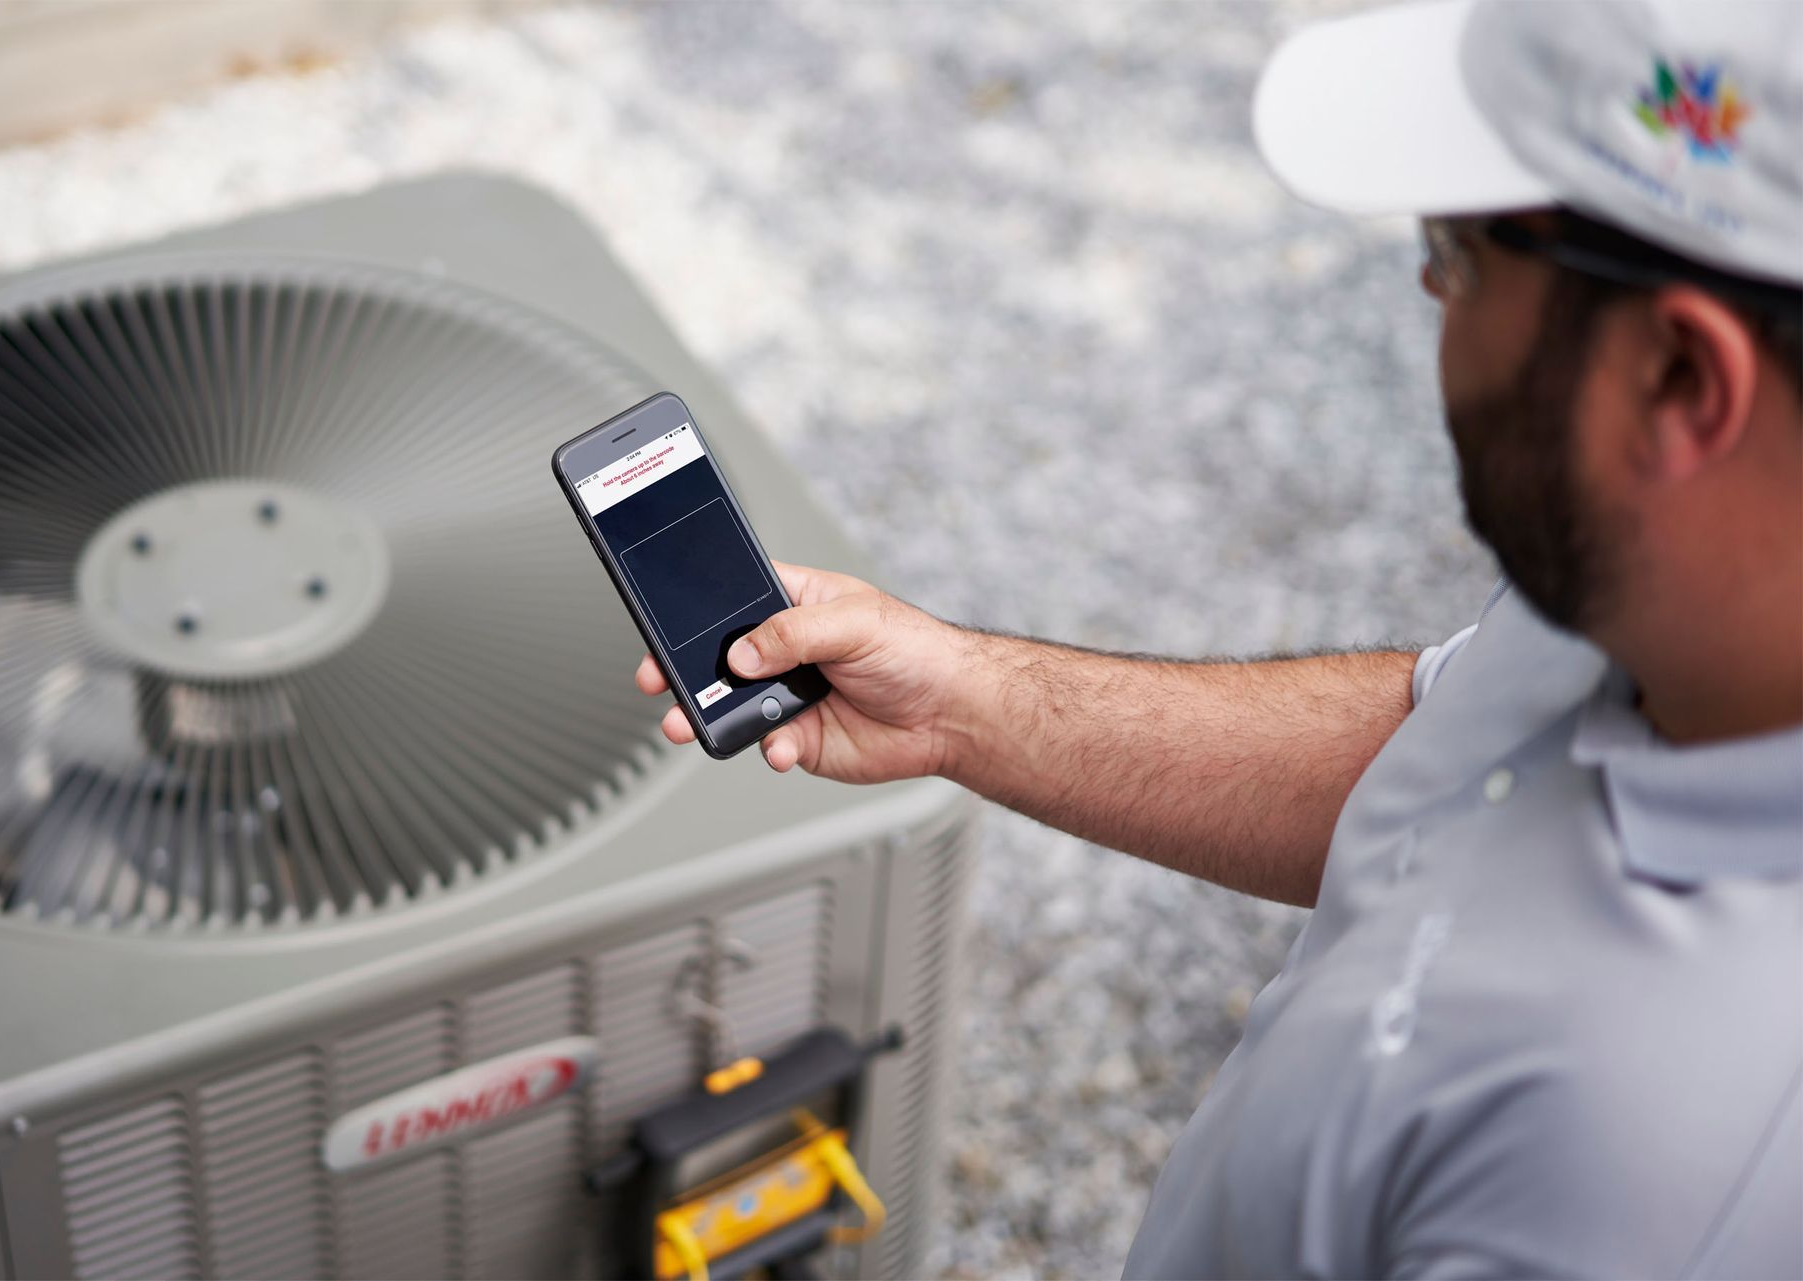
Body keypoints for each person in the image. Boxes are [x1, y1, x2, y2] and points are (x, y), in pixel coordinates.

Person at [633, 0, 1802, 1274]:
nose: (1424, 284)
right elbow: (1442, 757)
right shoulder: (1683, 605)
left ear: (1685, 381)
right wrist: (963, 700)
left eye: (1460, 250)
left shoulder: (1652, 1193)